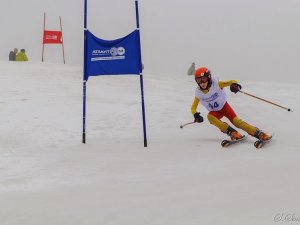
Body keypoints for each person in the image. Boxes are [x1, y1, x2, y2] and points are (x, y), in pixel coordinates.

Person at [191, 66, 271, 142]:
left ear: (209, 77)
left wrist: (234, 85)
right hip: (215, 112)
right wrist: (196, 115)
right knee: (210, 117)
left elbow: (231, 81)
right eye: (199, 81)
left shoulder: (217, 84)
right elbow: (193, 108)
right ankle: (233, 133)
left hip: (224, 107)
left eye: (203, 79)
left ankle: (259, 133)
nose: (202, 83)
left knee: (236, 122)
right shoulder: (199, 93)